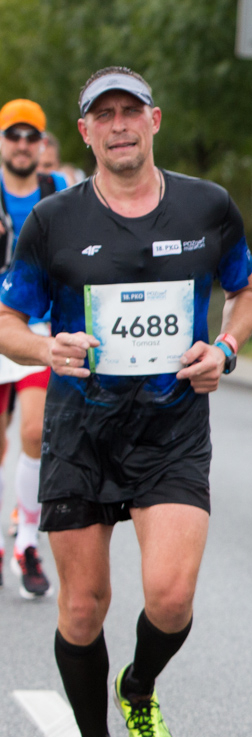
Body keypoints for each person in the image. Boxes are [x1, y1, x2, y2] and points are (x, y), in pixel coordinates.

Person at [0, 67, 252, 737]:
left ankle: (139, 688)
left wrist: (228, 349)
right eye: (102, 115)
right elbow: (8, 320)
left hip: (171, 424)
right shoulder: (52, 220)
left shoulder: (206, 205)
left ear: (154, 121)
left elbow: (246, 291)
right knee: (82, 608)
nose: (118, 125)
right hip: (81, 427)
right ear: (83, 132)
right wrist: (43, 349)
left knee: (170, 597)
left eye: (130, 112)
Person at [0, 98, 70, 599]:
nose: (23, 145)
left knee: (32, 430)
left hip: (37, 329)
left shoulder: (58, 191)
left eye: (32, 137)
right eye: (13, 136)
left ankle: (26, 540)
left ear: (41, 144)